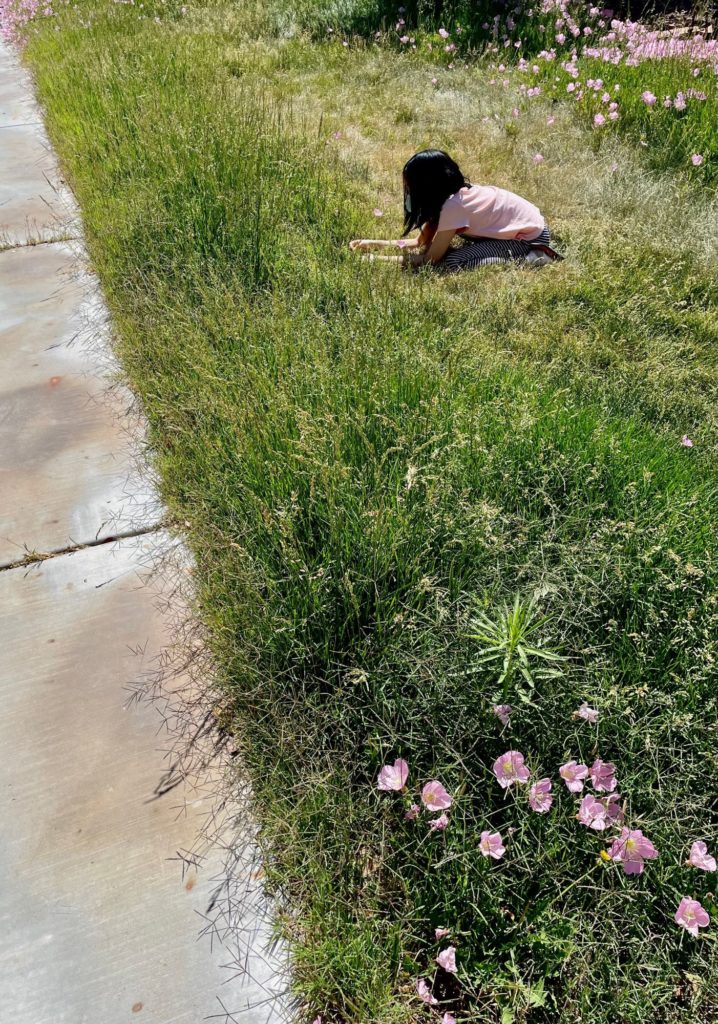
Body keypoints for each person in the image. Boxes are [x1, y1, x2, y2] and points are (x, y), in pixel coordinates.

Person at [349, 148, 561, 271]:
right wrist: (374, 244)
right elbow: (418, 243)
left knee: (453, 260)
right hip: (529, 224)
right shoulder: (451, 198)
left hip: (529, 238)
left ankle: (530, 258)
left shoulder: (453, 207)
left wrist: (376, 260)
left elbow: (430, 260)